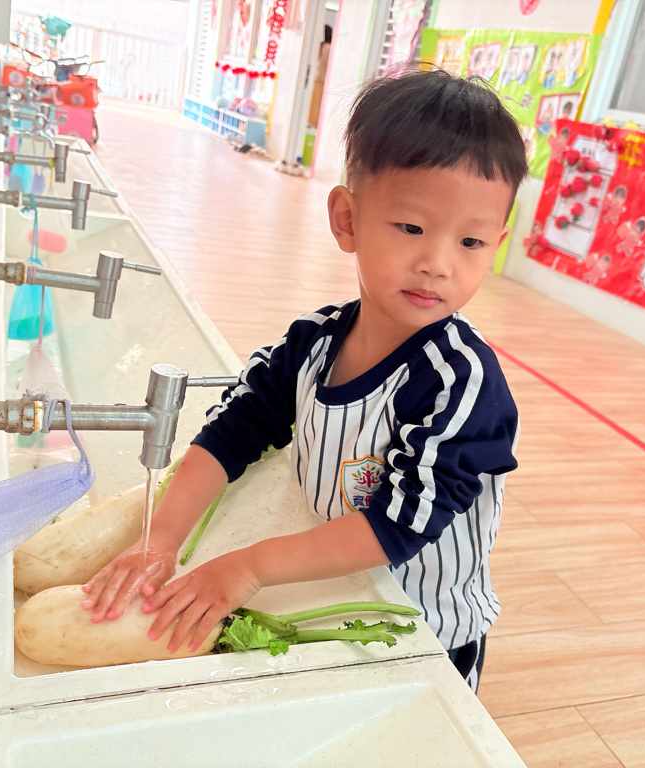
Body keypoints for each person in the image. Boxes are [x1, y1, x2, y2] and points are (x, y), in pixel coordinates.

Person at [81, 69, 528, 691]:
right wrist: (161, 539)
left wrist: (247, 568)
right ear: (347, 218)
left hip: (422, 629)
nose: (438, 263)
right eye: (412, 228)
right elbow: (232, 433)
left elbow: (397, 525)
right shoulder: (312, 344)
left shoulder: (462, 384)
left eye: (471, 242)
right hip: (331, 595)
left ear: (495, 245)